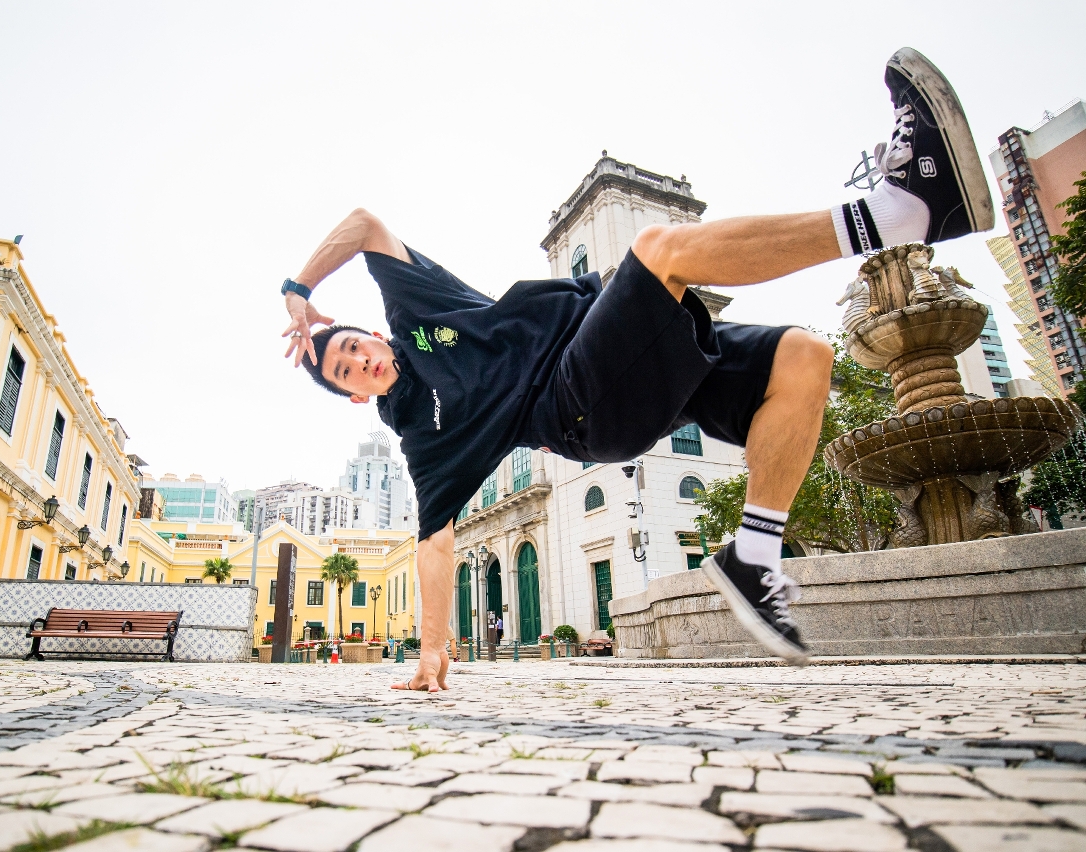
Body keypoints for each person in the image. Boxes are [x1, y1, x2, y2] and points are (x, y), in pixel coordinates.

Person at [279, 48, 992, 691]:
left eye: (354, 348)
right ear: (354, 396)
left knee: (805, 358)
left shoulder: (416, 311)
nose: (360, 362)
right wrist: (432, 651)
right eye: (346, 373)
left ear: (372, 333)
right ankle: (894, 215)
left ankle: (754, 552)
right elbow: (434, 546)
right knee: (659, 250)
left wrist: (300, 288)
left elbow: (364, 224)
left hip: (620, 346)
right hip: (581, 407)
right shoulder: (424, 438)